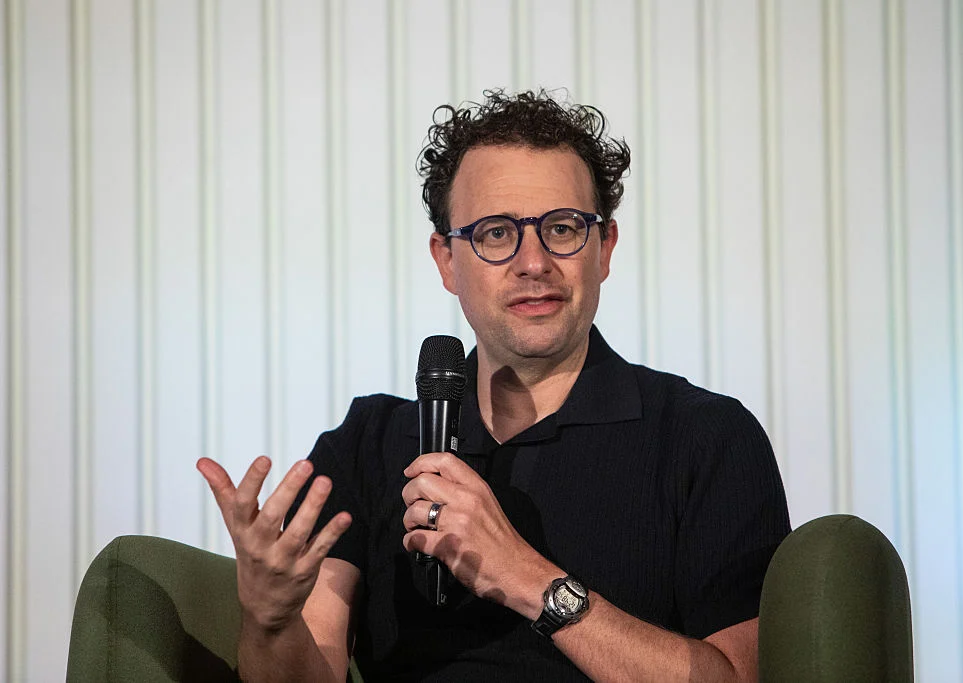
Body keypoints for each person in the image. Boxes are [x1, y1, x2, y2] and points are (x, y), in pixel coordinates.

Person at [198, 89, 790, 682]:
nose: (534, 262)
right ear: (446, 261)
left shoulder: (707, 437)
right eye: (497, 233)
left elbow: (737, 678)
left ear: (605, 249)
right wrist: (270, 621)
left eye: (562, 228)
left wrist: (529, 578)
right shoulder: (368, 444)